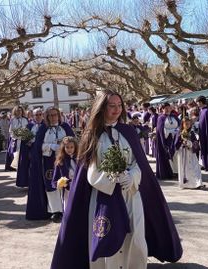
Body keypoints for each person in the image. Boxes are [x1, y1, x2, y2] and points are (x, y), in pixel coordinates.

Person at [50, 90, 182, 269]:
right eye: (112, 106)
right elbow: (91, 172)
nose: (117, 110)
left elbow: (138, 163)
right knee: (108, 238)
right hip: (105, 197)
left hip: (131, 194)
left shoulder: (128, 131)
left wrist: (132, 176)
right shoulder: (92, 135)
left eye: (119, 105)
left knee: (135, 236)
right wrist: (114, 179)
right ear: (101, 108)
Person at [27, 107, 74, 222]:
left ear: (59, 115)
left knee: (66, 183)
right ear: (46, 117)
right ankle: (56, 210)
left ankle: (67, 208)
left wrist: (64, 147)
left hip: (64, 160)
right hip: (48, 161)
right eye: (50, 115)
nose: (53, 117)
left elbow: (74, 141)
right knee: (52, 185)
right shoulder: (43, 129)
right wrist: (50, 146)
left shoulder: (65, 127)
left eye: (55, 115)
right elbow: (38, 146)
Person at [174, 118, 204, 189]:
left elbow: (196, 143)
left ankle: (197, 183)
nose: (187, 125)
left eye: (189, 123)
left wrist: (190, 144)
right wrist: (182, 143)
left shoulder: (192, 133)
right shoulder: (179, 133)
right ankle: (185, 183)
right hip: (183, 154)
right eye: (186, 124)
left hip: (191, 153)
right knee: (184, 169)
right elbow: (176, 144)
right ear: (183, 124)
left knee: (195, 167)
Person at [51, 136, 78, 211]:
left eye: (71, 147)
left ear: (75, 147)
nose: (69, 149)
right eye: (67, 147)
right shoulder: (60, 161)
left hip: (79, 188)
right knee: (68, 209)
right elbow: (54, 181)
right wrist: (62, 183)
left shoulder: (80, 159)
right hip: (67, 190)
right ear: (63, 148)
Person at [155, 102, 179, 180]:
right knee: (167, 156)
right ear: (162, 109)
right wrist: (169, 132)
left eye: (169, 107)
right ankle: (168, 173)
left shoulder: (174, 116)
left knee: (175, 156)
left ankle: (176, 172)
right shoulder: (161, 118)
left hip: (175, 139)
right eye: (166, 108)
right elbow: (160, 130)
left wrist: (177, 132)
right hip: (166, 140)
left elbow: (180, 125)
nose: (168, 109)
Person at [196, 96, 208, 171]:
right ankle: (205, 164)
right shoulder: (201, 111)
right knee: (203, 150)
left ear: (201, 102)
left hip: (206, 134)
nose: (197, 104)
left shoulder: (206, 111)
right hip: (202, 134)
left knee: (207, 149)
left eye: (198, 103)